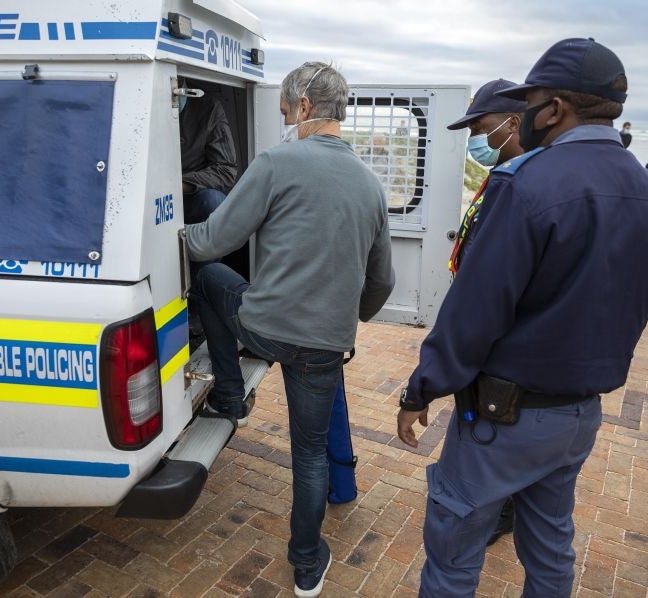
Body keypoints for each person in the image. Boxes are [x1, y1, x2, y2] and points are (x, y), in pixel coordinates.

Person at [396, 38, 648, 597]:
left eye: (531, 103)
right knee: (550, 552)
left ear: (554, 108)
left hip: (505, 419)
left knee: (453, 557)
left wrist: (420, 391)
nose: (523, 115)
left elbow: (473, 314)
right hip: (578, 417)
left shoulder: (525, 183)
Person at [184, 62, 395, 598]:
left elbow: (209, 244)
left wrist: (177, 230)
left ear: (303, 107)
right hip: (325, 346)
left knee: (211, 280)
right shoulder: (371, 185)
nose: (285, 121)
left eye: (284, 111)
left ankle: (230, 395)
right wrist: (347, 318)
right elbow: (382, 283)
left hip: (264, 329)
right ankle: (306, 566)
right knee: (310, 453)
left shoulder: (276, 163)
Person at [446, 78, 527, 545]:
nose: (476, 137)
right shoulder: (502, 175)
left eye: (481, 126)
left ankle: (499, 512)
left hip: (499, 352)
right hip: (486, 348)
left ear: (512, 122)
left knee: (494, 441)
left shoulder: (523, 185)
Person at [178, 79, 238, 225]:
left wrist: (182, 184)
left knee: (214, 202)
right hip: (146, 196)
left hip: (189, 195)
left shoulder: (208, 107)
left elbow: (226, 170)